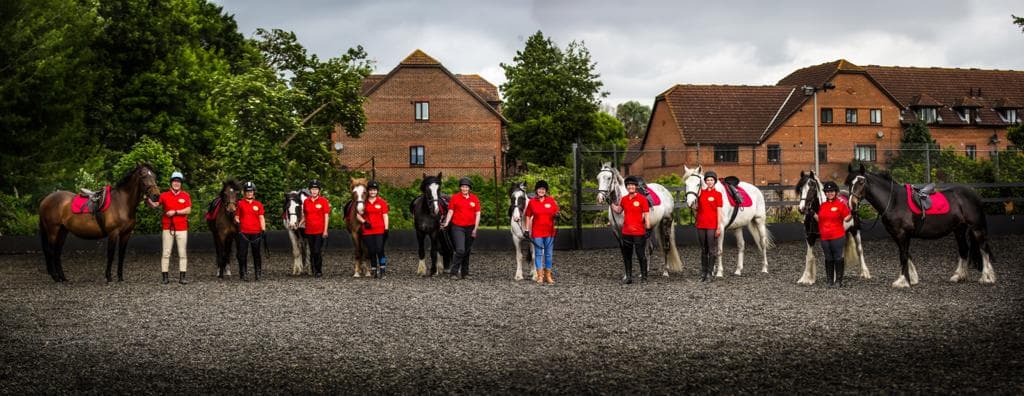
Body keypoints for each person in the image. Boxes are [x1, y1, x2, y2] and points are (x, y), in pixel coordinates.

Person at [147, 171, 191, 285]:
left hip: (182, 228)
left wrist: (175, 212)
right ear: (171, 183)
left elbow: (188, 210)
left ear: (181, 184)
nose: (176, 184)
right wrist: (149, 200)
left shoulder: (185, 195)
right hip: (168, 228)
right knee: (166, 253)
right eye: (174, 181)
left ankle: (182, 277)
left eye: (178, 182)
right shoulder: (164, 195)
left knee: (182, 253)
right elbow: (155, 205)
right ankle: (165, 277)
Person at [610, 175, 650, 284]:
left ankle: (644, 278)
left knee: (641, 255)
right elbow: (618, 210)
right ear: (627, 187)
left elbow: (646, 215)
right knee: (627, 256)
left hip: (639, 232)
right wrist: (611, 203)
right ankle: (629, 277)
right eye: (628, 185)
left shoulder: (642, 199)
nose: (630, 187)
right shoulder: (624, 199)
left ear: (636, 186)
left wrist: (647, 229)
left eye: (632, 185)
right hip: (626, 232)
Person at [442, 177, 481, 279]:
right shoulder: (455, 198)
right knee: (460, 250)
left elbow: (478, 214)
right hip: (457, 227)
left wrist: (475, 229)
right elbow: (450, 211)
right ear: (460, 188)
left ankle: (465, 273)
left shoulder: (474, 198)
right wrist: (446, 222)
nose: (464, 189)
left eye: (466, 187)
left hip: (470, 227)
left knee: (467, 251)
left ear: (469, 188)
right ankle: (454, 272)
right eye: (463, 187)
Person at [817, 181, 852, 287]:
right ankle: (829, 280)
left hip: (837, 236)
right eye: (827, 191)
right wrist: (812, 214)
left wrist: (853, 213)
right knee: (828, 258)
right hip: (824, 237)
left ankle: (839, 281)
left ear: (836, 192)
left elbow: (846, 218)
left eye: (831, 191)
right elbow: (820, 219)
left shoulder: (841, 205)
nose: (829, 193)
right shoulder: (823, 206)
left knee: (837, 257)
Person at [524, 179, 559, 285]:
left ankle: (548, 275)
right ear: (536, 190)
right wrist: (526, 229)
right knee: (538, 254)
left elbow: (556, 212)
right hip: (537, 232)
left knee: (548, 254)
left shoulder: (551, 201)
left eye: (543, 189)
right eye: (539, 189)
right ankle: (540, 276)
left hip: (549, 232)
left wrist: (557, 215)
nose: (541, 191)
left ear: (546, 190)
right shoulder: (532, 202)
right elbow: (528, 215)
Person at [357, 180, 389, 279]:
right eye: (371, 190)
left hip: (380, 230)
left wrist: (386, 228)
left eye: (374, 190)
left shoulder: (382, 202)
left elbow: (385, 216)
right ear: (368, 191)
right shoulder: (364, 202)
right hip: (368, 231)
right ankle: (374, 270)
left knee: (380, 250)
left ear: (377, 191)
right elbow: (358, 214)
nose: (372, 192)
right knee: (371, 251)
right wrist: (364, 222)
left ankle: (383, 270)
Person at [234, 181, 266, 281]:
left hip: (256, 232)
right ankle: (243, 273)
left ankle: (258, 273)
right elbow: (237, 216)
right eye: (247, 191)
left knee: (256, 253)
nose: (249, 193)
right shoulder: (239, 204)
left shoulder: (259, 204)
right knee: (242, 253)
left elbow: (261, 217)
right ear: (244, 192)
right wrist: (237, 222)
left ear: (253, 192)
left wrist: (263, 229)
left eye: (251, 191)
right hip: (243, 233)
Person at [696, 171, 724, 282]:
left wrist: (718, 227)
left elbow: (719, 211)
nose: (709, 182)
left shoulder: (718, 194)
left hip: (712, 225)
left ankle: (709, 273)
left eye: (711, 180)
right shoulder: (700, 193)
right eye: (707, 180)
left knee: (712, 250)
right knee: (703, 249)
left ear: (715, 181)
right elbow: (695, 207)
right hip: (701, 224)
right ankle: (703, 272)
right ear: (705, 181)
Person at [302, 179, 330, 278]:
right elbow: (305, 215)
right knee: (312, 251)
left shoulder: (323, 201)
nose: (314, 191)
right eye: (312, 189)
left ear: (319, 190)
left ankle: (318, 270)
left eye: (316, 189)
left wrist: (325, 230)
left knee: (317, 250)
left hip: (320, 230)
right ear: (310, 190)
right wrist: (300, 223)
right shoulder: (306, 201)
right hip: (309, 231)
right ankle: (313, 269)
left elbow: (326, 216)